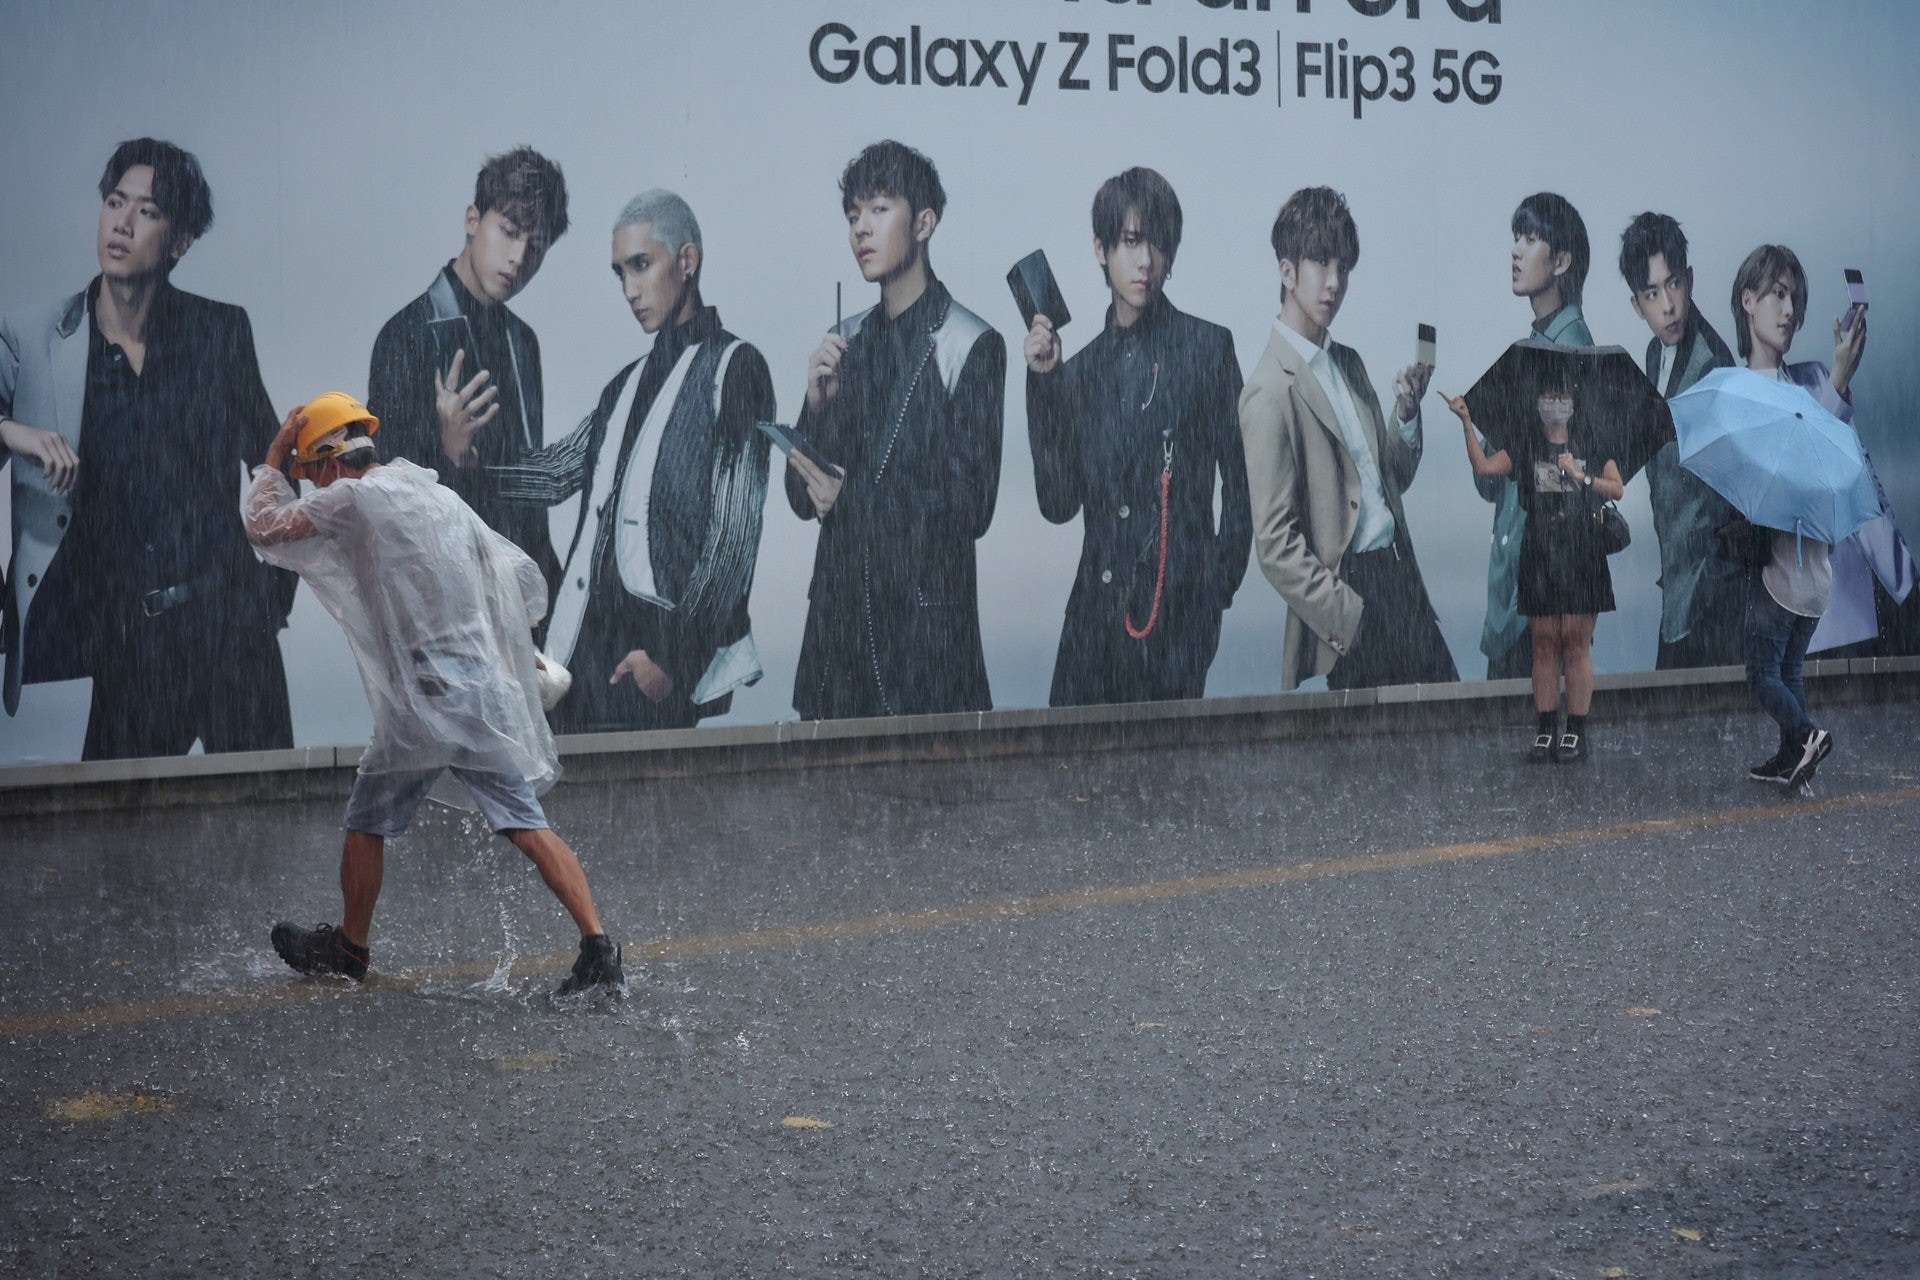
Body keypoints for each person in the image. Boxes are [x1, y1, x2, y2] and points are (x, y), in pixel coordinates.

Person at [242, 392, 624, 996]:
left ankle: (349, 948)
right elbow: (501, 583)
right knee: (528, 824)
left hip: (422, 703)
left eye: (309, 473)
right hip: (481, 695)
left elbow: (264, 528)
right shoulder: (438, 496)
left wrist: (270, 460)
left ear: (331, 462)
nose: (312, 488)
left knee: (366, 821)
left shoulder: (353, 497)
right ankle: (598, 947)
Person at [0, 137, 295, 758]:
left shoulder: (220, 332)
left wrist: (274, 593)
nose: (123, 223)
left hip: (233, 631)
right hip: (130, 646)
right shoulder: (36, 341)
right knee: (115, 843)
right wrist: (13, 431)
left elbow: (274, 463)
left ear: (181, 240)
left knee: (270, 832)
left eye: (148, 211)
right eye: (115, 202)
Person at [486, 189, 775, 732]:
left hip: (654, 658)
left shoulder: (736, 367)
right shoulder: (624, 384)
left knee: (649, 814)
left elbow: (733, 539)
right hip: (581, 656)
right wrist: (448, 464)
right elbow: (553, 476)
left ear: (686, 261)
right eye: (619, 273)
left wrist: (674, 656)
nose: (629, 289)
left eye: (641, 266)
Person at [785, 140, 1005, 719]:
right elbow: (801, 501)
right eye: (853, 215)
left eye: (880, 210)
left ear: (925, 222)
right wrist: (816, 408)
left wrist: (852, 501)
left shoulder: (971, 345)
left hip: (926, 653)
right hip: (836, 656)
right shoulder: (847, 338)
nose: (861, 229)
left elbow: (970, 508)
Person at [1023, 167, 1251, 705]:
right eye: (1130, 242)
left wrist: (1214, 587)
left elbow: (1245, 482)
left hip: (1176, 621)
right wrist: (1045, 386)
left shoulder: (1208, 349)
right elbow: (1057, 503)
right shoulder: (1076, 372)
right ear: (1101, 249)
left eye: (1158, 244)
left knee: (1165, 781)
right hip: (1092, 626)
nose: (1145, 261)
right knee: (1071, 778)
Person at [1239, 186, 1456, 692]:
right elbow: (1275, 547)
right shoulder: (1268, 392)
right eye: (1320, 263)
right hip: (1352, 598)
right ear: (1287, 271)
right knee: (1382, 762)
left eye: (1344, 268)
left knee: (1453, 736)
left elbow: (1390, 479)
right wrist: (1351, 619)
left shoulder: (1350, 363)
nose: (1334, 283)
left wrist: (1405, 413)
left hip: (1403, 580)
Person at [367, 146, 570, 598]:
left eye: (535, 247)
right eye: (509, 231)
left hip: (521, 597)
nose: (519, 258)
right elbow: (386, 503)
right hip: (443, 599)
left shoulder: (523, 342)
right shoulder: (406, 335)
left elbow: (526, 496)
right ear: (473, 220)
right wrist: (446, 452)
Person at [1726, 244, 1867, 786]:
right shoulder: (1790, 390)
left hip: (1785, 571)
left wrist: (1837, 379)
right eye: (1777, 295)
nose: (1788, 312)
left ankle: (1806, 736)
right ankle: (1794, 762)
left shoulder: (1775, 390)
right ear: (1748, 301)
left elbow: (1807, 463)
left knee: (1762, 673)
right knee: (1789, 670)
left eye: (1794, 300)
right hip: (1811, 573)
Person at [1448, 372, 1623, 761]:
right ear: (1538, 401)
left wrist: (1582, 475)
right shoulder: (1526, 441)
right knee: (1544, 644)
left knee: (1576, 644)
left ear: (1573, 402)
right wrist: (1465, 422)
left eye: (1561, 396)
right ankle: (1546, 728)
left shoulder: (1592, 438)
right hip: (1540, 551)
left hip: (1582, 551)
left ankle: (1575, 730)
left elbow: (1617, 487)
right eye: (1548, 396)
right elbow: (1485, 468)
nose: (1554, 403)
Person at [1616, 212, 1744, 670]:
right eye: (1652, 293)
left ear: (1689, 279)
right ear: (1637, 304)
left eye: (1674, 284)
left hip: (1714, 598)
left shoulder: (1712, 366)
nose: (1668, 305)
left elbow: (1731, 495)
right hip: (1680, 588)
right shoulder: (1655, 355)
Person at [1477, 193, 1594, 682]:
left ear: (1562, 260)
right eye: (1515, 238)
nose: (1516, 251)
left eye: (1530, 239)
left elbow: (1564, 481)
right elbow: (1490, 483)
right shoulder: (1533, 350)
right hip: (1521, 588)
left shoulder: (1571, 351)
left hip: (1541, 589)